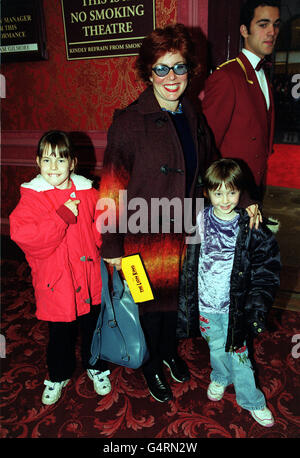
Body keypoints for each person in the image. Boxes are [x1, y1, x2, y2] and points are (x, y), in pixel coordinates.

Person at [98, 23, 219, 403]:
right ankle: (149, 363)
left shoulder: (193, 114)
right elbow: (112, 189)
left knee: (175, 302)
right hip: (140, 237)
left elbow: (214, 166)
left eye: (179, 67)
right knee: (146, 306)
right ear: (148, 72)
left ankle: (168, 351)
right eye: (162, 68)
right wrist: (112, 247)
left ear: (190, 70)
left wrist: (243, 198)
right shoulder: (129, 123)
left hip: (187, 230)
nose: (171, 77)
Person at [9, 130, 111, 405]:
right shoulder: (32, 197)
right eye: (47, 160)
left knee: (94, 326)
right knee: (60, 334)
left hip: (90, 276)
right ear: (38, 163)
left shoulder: (88, 192)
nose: (54, 167)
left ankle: (96, 366)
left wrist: (109, 247)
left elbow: (101, 225)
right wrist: (61, 218)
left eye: (61, 160)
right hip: (57, 281)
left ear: (73, 163)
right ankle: (58, 374)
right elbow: (27, 238)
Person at [182, 158, 281, 427]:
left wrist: (257, 304)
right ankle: (220, 375)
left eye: (232, 191)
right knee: (215, 346)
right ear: (208, 193)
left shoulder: (250, 225)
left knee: (240, 355)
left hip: (234, 306)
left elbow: (266, 267)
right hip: (205, 303)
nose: (225, 199)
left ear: (241, 192)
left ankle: (252, 399)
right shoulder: (200, 219)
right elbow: (190, 260)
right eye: (218, 192)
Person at [201, 0, 281, 202]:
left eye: (276, 24)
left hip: (255, 188)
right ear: (244, 30)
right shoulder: (227, 76)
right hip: (231, 195)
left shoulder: (262, 74)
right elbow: (207, 145)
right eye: (263, 25)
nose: (272, 31)